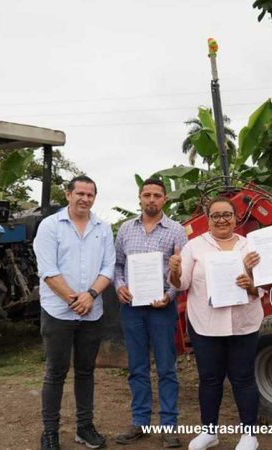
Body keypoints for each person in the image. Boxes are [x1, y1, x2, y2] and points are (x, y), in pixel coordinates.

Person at [168, 196, 262, 450]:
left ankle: (249, 435)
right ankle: (209, 431)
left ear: (236, 218)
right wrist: (174, 271)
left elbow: (264, 286)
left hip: (243, 324)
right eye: (215, 215)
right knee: (209, 379)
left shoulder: (250, 246)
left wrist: (252, 286)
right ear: (208, 220)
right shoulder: (193, 247)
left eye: (227, 215)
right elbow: (182, 284)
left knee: (243, 379)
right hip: (206, 325)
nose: (221, 219)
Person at [33, 175, 116, 450]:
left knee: (85, 371)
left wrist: (90, 296)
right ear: (68, 195)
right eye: (80, 193)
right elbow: (48, 270)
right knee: (55, 372)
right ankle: (50, 432)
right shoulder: (50, 226)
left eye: (90, 195)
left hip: (91, 312)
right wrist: (74, 299)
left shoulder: (103, 229)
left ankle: (84, 427)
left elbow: (108, 268)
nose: (85, 199)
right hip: (58, 312)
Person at [113, 178, 188, 448]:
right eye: (147, 195)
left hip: (161, 310)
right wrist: (119, 286)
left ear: (165, 199)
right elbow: (117, 265)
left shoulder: (176, 231)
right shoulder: (125, 230)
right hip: (132, 308)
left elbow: (181, 271)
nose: (152, 199)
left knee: (167, 368)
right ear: (140, 198)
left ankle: (169, 425)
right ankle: (140, 422)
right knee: (137, 368)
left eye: (157, 195)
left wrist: (169, 295)